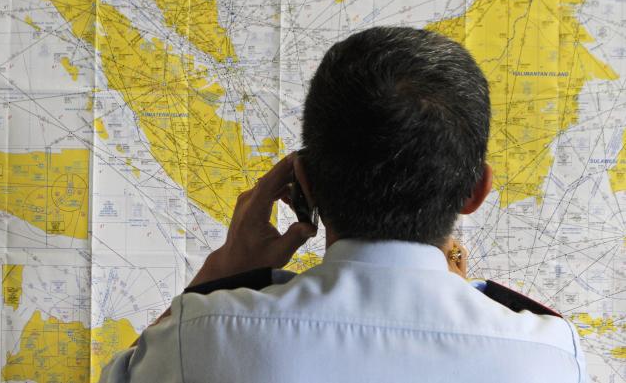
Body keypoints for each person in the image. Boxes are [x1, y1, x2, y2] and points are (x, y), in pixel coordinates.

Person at [100, 27, 587, 383]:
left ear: (304, 185)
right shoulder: (550, 357)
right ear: (477, 191)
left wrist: (222, 272)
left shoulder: (203, 335)